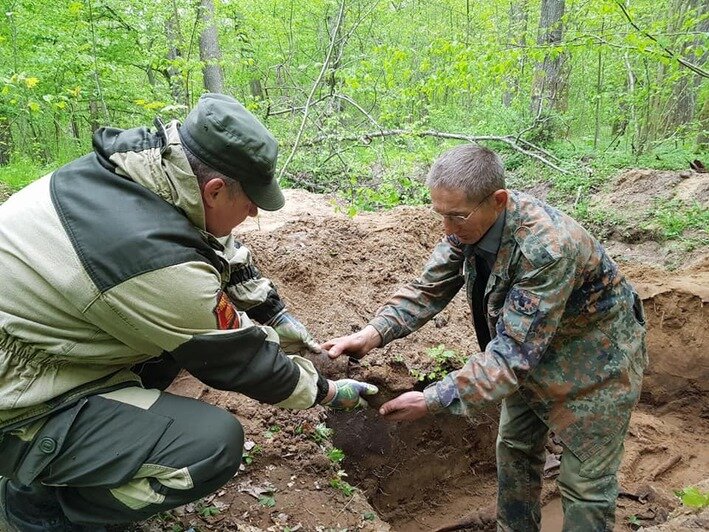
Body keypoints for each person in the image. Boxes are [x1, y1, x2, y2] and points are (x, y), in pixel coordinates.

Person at [0, 93, 377, 531]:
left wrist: (274, 312)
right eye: (251, 200)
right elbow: (242, 359)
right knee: (212, 446)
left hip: (38, 337)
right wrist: (327, 392)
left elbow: (219, 246)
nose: (255, 210)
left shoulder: (141, 169)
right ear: (215, 189)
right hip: (17, 395)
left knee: (170, 349)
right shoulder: (149, 258)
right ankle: (36, 513)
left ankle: (78, 462)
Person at [324, 144, 647, 531]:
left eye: (456, 216)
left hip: (596, 366)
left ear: (498, 200)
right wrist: (372, 334)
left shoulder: (546, 249)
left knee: (585, 485)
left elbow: (511, 356)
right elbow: (429, 289)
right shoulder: (469, 224)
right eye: (440, 214)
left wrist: (432, 399)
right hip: (532, 356)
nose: (447, 230)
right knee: (514, 449)